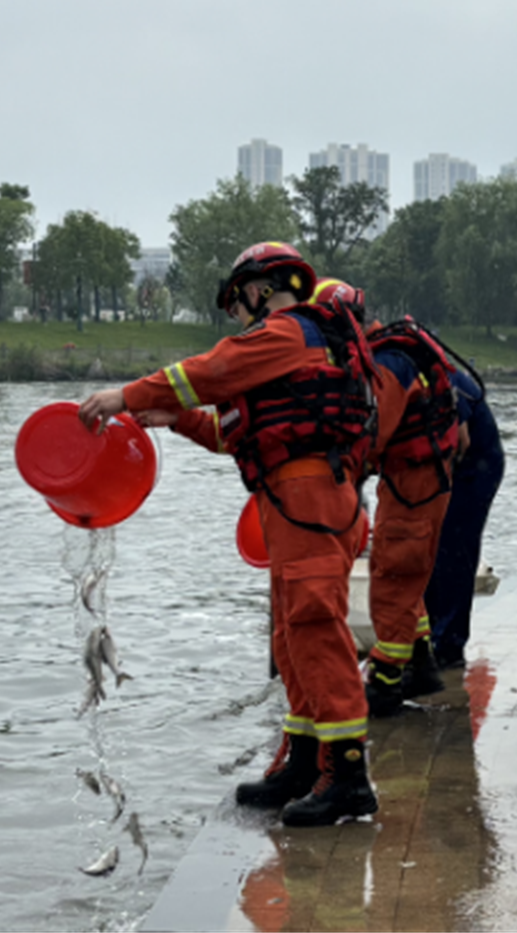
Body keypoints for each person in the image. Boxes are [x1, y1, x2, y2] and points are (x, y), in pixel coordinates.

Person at [80, 242, 379, 826]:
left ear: (260, 288)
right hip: (297, 502)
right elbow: (232, 431)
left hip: (309, 500)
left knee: (316, 629)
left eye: (238, 302)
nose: (238, 317)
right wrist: (178, 417)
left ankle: (347, 776)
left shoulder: (287, 333)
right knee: (293, 637)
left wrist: (129, 395)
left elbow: (214, 370)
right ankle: (302, 759)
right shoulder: (293, 351)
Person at [312, 280, 458, 717]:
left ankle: (386, 682)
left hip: (414, 486)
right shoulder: (395, 352)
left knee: (393, 579)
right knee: (403, 573)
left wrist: (333, 471)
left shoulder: (389, 364)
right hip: (418, 480)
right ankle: (420, 660)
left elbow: (374, 433)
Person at [424, 365, 505, 668]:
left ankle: (448, 644)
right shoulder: (410, 366)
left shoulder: (435, 376)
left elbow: (462, 439)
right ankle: (433, 631)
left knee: (454, 550)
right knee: (433, 547)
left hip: (474, 466)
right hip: (451, 466)